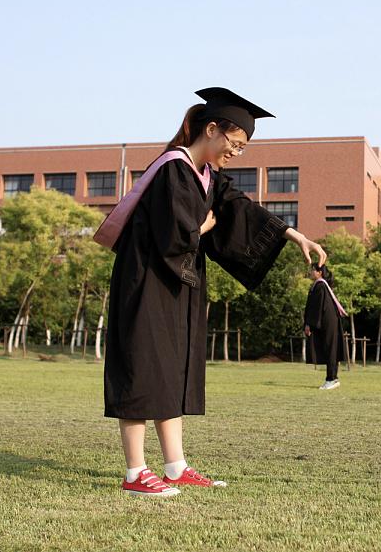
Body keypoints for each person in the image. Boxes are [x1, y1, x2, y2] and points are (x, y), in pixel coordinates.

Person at [94, 87, 327, 497]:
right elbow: (175, 231)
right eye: (234, 144)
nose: (236, 153)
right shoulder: (173, 169)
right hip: (146, 282)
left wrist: (296, 236)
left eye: (242, 148)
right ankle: (134, 473)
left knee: (170, 371)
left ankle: (175, 466)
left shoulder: (207, 177)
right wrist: (199, 229)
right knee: (142, 369)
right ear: (212, 129)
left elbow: (240, 209)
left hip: (176, 285)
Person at [304, 263, 347, 390]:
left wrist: (309, 324)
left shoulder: (321, 286)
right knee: (330, 348)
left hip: (328, 322)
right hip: (328, 322)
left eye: (313, 270)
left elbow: (316, 308)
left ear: (320, 272)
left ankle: (331, 379)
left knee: (331, 349)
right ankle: (333, 378)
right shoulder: (320, 286)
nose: (311, 272)